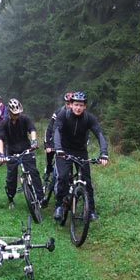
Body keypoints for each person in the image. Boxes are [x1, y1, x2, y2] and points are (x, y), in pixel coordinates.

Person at [52, 91, 109, 222]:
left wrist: (104, 153)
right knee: (63, 176)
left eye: (81, 105)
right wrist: (58, 148)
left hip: (80, 151)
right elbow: (57, 132)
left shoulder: (89, 118)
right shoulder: (63, 115)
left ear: (85, 107)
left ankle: (91, 210)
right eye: (76, 104)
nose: (78, 108)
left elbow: (99, 134)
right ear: (70, 105)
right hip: (64, 150)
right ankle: (59, 205)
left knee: (87, 182)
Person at [0, 98, 44, 209]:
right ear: (9, 113)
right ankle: (11, 199)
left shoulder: (25, 118)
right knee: (11, 178)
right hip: (12, 152)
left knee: (34, 173)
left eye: (18, 113)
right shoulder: (4, 123)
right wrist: (1, 154)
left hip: (26, 150)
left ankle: (41, 198)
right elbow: (0, 139)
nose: (17, 116)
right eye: (14, 114)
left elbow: (32, 129)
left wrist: (34, 141)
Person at [43, 92, 73, 180]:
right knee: (50, 151)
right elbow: (49, 128)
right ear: (65, 103)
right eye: (68, 104)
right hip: (56, 138)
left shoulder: (76, 114)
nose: (69, 106)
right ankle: (48, 169)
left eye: (71, 103)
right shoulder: (58, 112)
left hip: (68, 141)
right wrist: (47, 144)